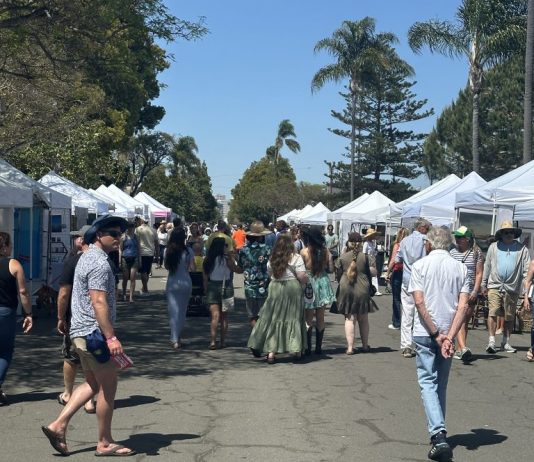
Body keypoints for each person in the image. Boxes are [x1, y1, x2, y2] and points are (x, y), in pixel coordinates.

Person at [42, 215, 136, 457]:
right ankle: (104, 442)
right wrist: (111, 337)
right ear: (99, 235)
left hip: (81, 332)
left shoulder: (87, 257)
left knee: (93, 383)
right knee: (108, 387)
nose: (118, 238)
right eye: (113, 234)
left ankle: (58, 425)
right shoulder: (99, 263)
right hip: (94, 334)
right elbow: (98, 301)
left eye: (120, 234)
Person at [408, 227, 470, 462]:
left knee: (428, 382)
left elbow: (419, 302)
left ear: (430, 243)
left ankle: (438, 434)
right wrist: (449, 336)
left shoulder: (420, 266)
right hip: (447, 329)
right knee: (440, 384)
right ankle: (439, 431)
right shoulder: (460, 268)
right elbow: (463, 306)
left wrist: (435, 333)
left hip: (426, 331)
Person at [247, 234, 308, 363]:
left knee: (274, 318)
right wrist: (305, 283)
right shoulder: (296, 258)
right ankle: (296, 349)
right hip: (292, 288)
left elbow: (270, 274)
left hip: (275, 287)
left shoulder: (272, 258)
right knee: (293, 317)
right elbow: (301, 276)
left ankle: (271, 352)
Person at [56, 225, 95, 414]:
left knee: (71, 356)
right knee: (93, 358)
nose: (75, 240)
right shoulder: (103, 261)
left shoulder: (72, 262)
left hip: (76, 317)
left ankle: (68, 393)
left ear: (82, 240)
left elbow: (64, 293)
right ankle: (89, 399)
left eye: (77, 237)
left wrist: (60, 317)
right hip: (97, 318)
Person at [482, 221, 530, 354]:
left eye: (511, 232)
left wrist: (526, 289)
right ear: (501, 234)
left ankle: (505, 342)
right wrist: (483, 284)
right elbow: (487, 266)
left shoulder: (522, 249)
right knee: (493, 312)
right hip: (494, 285)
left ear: (515, 234)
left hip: (512, 287)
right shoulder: (493, 247)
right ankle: (491, 341)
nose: (509, 234)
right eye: (506, 232)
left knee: (509, 316)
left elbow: (527, 270)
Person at [0, 232, 33, 406]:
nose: (11, 247)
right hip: (5, 312)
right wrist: (28, 313)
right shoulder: (13, 264)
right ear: (5, 247)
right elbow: (23, 292)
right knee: (5, 350)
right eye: (10, 244)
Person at [335, 232, 378, 354]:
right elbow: (374, 272)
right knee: (363, 319)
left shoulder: (342, 257)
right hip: (362, 287)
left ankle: (350, 347)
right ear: (361, 244)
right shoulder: (366, 257)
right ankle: (364, 346)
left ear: (349, 243)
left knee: (350, 318)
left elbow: (337, 273)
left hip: (346, 287)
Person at [395, 218, 432, 358]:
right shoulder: (426, 241)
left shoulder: (404, 241)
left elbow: (398, 259)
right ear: (422, 228)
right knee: (419, 314)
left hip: (407, 280)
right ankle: (418, 344)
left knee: (407, 313)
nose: (428, 231)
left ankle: (406, 345)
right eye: (427, 228)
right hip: (422, 281)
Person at [450, 226, 484, 361]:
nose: (457, 239)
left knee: (465, 321)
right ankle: (463, 348)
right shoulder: (452, 252)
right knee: (459, 319)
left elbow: (479, 273)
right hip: (455, 290)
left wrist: (475, 290)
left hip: (470, 291)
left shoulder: (476, 252)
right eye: (456, 237)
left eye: (460, 237)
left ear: (467, 239)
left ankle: (460, 349)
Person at [300, 226, 335, 355]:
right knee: (320, 317)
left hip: (309, 282)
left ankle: (308, 347)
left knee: (308, 318)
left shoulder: (304, 252)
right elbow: (331, 269)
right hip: (322, 281)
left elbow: (301, 269)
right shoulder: (326, 251)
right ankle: (318, 347)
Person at [203, 237, 242, 349]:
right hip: (226, 286)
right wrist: (234, 257)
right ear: (222, 247)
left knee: (215, 316)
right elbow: (237, 270)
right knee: (224, 316)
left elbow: (205, 277)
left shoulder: (208, 259)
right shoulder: (226, 259)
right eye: (225, 246)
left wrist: (206, 290)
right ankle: (223, 341)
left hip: (212, 286)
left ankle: (212, 341)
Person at [237, 220, 272, 328]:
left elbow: (240, 267)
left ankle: (255, 335)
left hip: (249, 287)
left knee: (252, 316)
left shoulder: (244, 250)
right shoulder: (268, 249)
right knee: (264, 316)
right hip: (264, 286)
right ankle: (262, 336)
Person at [165, 228, 195, 350]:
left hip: (172, 282)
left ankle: (174, 339)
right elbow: (193, 268)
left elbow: (167, 266)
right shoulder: (188, 251)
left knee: (173, 312)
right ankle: (177, 337)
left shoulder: (168, 250)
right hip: (185, 282)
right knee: (182, 311)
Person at [385, 228, 409, 330]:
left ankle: (397, 322)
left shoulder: (398, 245)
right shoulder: (409, 245)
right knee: (407, 299)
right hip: (408, 272)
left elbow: (393, 260)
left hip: (398, 271)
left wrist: (387, 272)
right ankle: (407, 322)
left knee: (396, 298)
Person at [135, 217, 158, 295]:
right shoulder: (153, 230)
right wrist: (157, 255)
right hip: (150, 253)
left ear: (142, 221)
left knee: (143, 271)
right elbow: (156, 244)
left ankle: (145, 289)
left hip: (141, 252)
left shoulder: (138, 229)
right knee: (147, 272)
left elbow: (136, 241)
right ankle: (144, 287)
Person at [120, 222, 140, 304]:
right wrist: (119, 260)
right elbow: (120, 249)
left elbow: (139, 249)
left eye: (132, 227)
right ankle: (124, 294)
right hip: (125, 258)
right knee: (125, 278)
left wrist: (140, 259)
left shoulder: (136, 237)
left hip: (134, 258)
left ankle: (131, 297)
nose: (131, 229)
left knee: (132, 278)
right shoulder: (123, 237)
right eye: (129, 227)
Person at [363, 228, 381, 295]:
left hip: (373, 259)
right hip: (368, 259)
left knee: (374, 274)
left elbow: (374, 252)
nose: (374, 236)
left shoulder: (372, 243)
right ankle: (367, 288)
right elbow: (364, 253)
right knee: (368, 274)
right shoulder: (366, 243)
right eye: (373, 235)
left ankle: (375, 289)